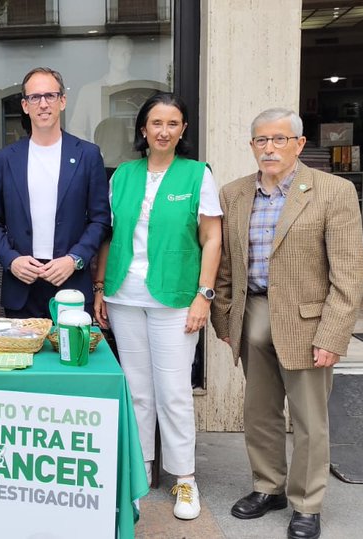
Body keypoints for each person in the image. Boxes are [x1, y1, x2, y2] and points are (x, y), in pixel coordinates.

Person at [210, 108, 363, 539]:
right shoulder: (234, 193)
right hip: (254, 313)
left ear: (299, 145)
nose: (270, 148)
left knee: (310, 417)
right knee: (259, 411)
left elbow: (349, 273)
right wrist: (225, 319)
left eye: (280, 139)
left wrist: (334, 333)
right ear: (252, 146)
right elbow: (226, 265)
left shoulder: (333, 191)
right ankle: (267, 486)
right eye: (262, 140)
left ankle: (307, 502)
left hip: (308, 320)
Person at [93, 92, 222, 520]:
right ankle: (142, 466)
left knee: (174, 392)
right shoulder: (123, 176)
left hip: (175, 297)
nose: (163, 131)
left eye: (172, 123)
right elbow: (110, 236)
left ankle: (184, 478)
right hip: (124, 295)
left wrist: (204, 295)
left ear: (183, 129)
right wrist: (99, 287)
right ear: (143, 130)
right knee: (137, 389)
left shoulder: (196, 175)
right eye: (155, 123)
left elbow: (212, 238)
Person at [0, 67, 111, 318]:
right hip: (22, 283)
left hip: (70, 283)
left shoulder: (88, 155)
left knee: (70, 356)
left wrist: (75, 259)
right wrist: (11, 260)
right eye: (35, 97)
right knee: (24, 358)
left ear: (62, 101)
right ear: (24, 105)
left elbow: (100, 219)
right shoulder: (5, 159)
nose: (43, 104)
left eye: (50, 96)